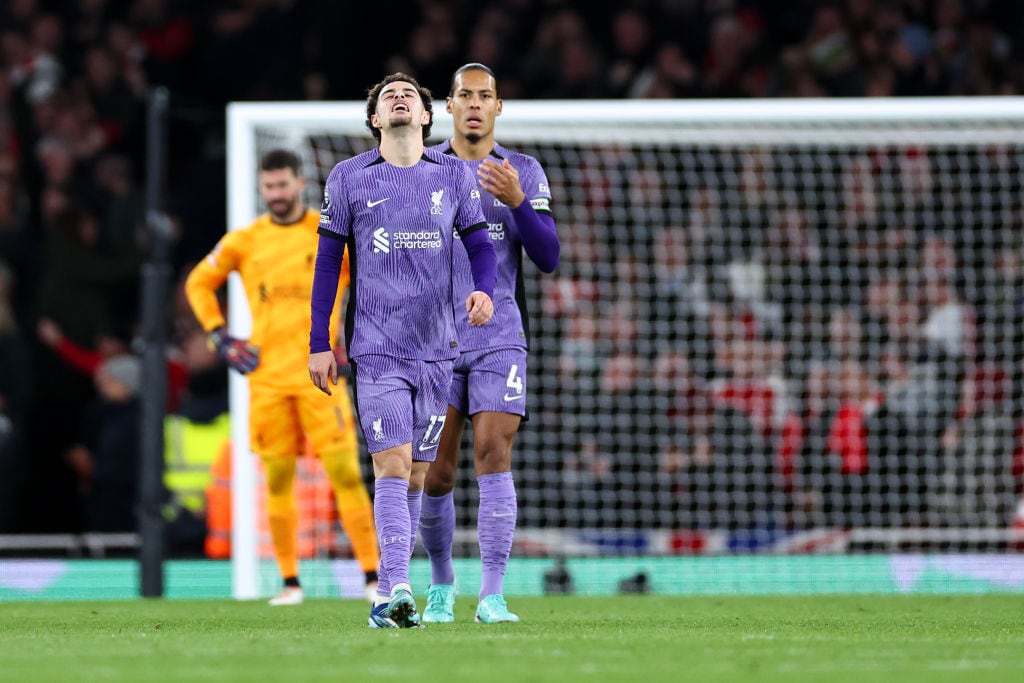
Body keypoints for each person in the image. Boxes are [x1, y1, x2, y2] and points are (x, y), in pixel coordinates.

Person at [308, 72, 497, 628]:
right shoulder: (348, 179)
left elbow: (482, 246)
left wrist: (482, 288)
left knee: (416, 475)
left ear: (424, 117)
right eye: (387, 95)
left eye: (408, 94)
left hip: (439, 352)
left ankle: (388, 599)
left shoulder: (456, 177)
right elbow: (326, 266)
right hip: (376, 351)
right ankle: (393, 586)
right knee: (390, 465)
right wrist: (320, 343)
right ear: (374, 120)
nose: (397, 97)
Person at [185, 149, 381, 606]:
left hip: (321, 375)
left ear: (299, 183)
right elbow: (198, 282)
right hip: (267, 378)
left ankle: (373, 576)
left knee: (345, 473)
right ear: (261, 188)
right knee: (276, 479)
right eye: (268, 186)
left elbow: (371, 279)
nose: (275, 194)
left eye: (282, 185)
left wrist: (357, 336)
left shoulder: (329, 232)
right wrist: (218, 336)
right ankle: (290, 582)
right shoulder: (245, 240)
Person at [419, 63, 560, 624]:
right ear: (448, 107)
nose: (474, 104)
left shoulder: (521, 169)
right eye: (464, 96)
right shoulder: (422, 168)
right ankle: (440, 584)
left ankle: (493, 595)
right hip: (433, 339)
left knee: (493, 455)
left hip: (499, 335)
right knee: (437, 470)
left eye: (485, 96)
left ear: (499, 107)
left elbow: (548, 258)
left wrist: (520, 202)